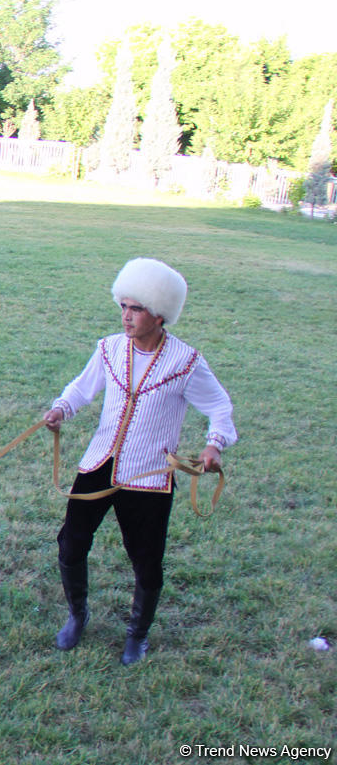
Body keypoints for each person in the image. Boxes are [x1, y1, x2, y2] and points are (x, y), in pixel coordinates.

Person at [42, 258, 236, 665]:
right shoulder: (110, 348)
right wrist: (61, 409)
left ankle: (137, 634)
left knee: (146, 561)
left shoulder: (185, 362)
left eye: (137, 309)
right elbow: (82, 388)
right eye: (123, 307)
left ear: (159, 315)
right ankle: (77, 616)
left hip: (149, 477)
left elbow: (219, 405)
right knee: (71, 543)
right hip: (98, 465)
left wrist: (214, 444)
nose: (127, 317)